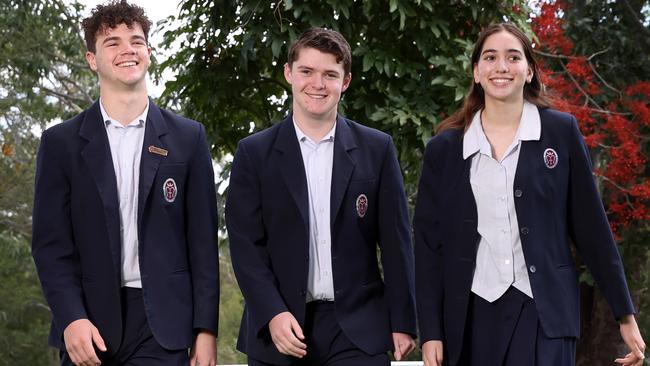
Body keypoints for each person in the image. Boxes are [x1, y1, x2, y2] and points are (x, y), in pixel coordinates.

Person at [413, 23, 645, 366]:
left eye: (513, 57)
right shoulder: (444, 149)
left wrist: (624, 314)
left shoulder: (561, 132)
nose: (502, 67)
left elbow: (592, 231)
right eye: (490, 58)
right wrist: (430, 331)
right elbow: (428, 248)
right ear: (476, 72)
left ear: (529, 70)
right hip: (471, 315)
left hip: (544, 313)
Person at [31, 1, 219, 365]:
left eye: (136, 40)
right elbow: (52, 248)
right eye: (112, 42)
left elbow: (202, 244)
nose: (127, 49)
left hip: (164, 326)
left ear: (148, 52)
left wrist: (205, 329)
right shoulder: (60, 144)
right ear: (92, 59)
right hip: (89, 326)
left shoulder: (188, 138)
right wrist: (71, 318)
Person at [225, 27, 417, 366]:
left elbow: (396, 242)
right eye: (307, 71)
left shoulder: (377, 149)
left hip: (358, 328)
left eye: (330, 74)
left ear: (345, 82)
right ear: (289, 74)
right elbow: (245, 247)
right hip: (280, 328)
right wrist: (272, 313)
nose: (318, 83)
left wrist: (403, 322)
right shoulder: (254, 153)